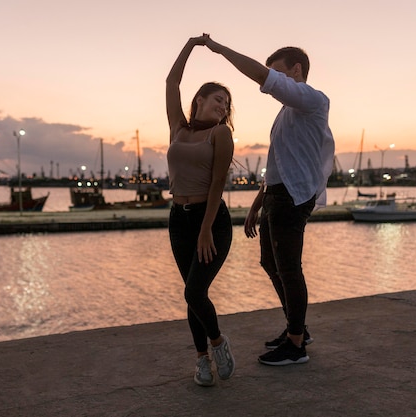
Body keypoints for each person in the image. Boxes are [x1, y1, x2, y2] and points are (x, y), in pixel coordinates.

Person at [203, 35, 335, 366]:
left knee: (289, 267)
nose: (272, 79)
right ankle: (297, 328)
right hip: (277, 194)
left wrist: (221, 49)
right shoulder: (287, 113)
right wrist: (256, 205)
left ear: (297, 69)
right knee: (271, 262)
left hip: (293, 197)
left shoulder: (312, 99)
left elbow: (264, 79)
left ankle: (296, 344)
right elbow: (278, 163)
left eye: (278, 72)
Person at [165, 35, 236, 386]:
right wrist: (191, 45)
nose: (223, 107)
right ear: (200, 100)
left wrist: (207, 228)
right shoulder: (178, 128)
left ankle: (218, 343)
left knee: (194, 292)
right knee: (193, 293)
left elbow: (218, 183)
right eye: (218, 100)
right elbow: (171, 82)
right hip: (178, 220)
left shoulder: (220, 135)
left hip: (212, 221)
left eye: (227, 104)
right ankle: (201, 359)